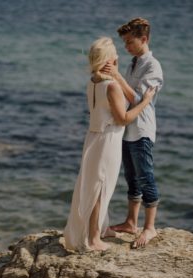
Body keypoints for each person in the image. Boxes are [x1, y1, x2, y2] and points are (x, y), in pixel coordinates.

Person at [64, 37, 156, 252]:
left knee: (96, 184)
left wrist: (116, 74)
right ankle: (94, 239)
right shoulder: (111, 86)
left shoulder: (93, 80)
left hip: (94, 137)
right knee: (101, 187)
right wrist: (145, 101)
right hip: (108, 139)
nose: (118, 55)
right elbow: (123, 118)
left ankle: (100, 228)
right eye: (115, 52)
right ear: (108, 58)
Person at [102, 18, 163, 248]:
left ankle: (150, 228)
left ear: (144, 39)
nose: (126, 46)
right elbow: (124, 96)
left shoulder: (153, 66)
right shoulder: (133, 63)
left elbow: (140, 101)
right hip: (126, 129)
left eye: (129, 42)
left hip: (143, 130)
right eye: (124, 42)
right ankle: (130, 222)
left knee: (145, 176)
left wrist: (117, 76)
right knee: (131, 178)